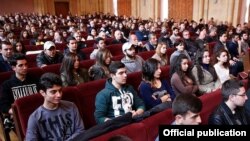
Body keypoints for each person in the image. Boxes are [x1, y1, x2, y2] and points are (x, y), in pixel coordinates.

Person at [26, 73, 85, 140]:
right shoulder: (34, 118)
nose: (59, 95)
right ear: (43, 93)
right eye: (53, 92)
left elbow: (80, 130)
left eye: (60, 90)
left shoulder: (71, 106)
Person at [0, 53, 38, 132]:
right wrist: (14, 112)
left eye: (26, 64)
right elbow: (3, 105)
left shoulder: (35, 80)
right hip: (20, 117)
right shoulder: (7, 85)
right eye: (21, 65)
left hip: (37, 114)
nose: (25, 68)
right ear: (14, 68)